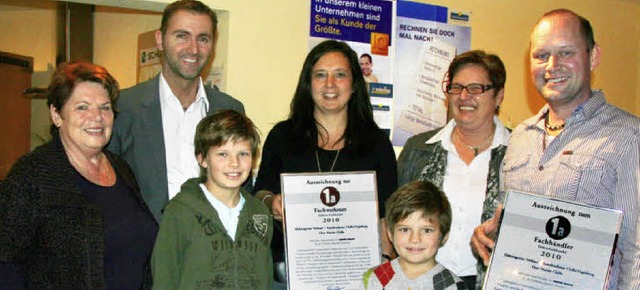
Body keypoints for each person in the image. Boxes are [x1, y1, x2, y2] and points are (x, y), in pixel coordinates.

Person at [471, 9, 639, 290]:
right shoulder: (521, 136)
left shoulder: (629, 137)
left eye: (566, 53)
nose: (552, 65)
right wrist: (491, 233)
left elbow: (636, 250)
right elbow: (515, 221)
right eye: (541, 55)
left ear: (593, 56)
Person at [253, 40, 398, 288]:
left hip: (358, 276)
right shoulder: (282, 136)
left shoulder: (377, 144)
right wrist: (271, 201)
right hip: (291, 274)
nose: (330, 84)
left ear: (354, 85)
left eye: (340, 74)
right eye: (320, 75)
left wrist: (383, 273)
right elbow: (260, 193)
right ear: (308, 85)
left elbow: (388, 216)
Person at [0, 61, 158, 289]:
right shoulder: (32, 174)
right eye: (82, 107)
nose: (97, 117)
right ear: (56, 115)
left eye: (105, 107)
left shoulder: (121, 168)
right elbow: (5, 262)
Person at [107, 0, 245, 221]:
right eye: (182, 36)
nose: (193, 49)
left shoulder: (230, 109)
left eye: (203, 38)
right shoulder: (123, 107)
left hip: (212, 250)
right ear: (160, 40)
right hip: (146, 250)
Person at [397, 50, 509, 289]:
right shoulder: (418, 149)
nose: (464, 96)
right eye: (456, 87)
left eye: (476, 88)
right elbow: (395, 218)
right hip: (423, 282)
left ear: (498, 96)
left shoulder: (519, 154)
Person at [151, 110, 272, 289]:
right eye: (223, 154)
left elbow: (266, 277)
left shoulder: (260, 213)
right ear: (202, 159)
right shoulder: (180, 211)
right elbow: (164, 278)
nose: (234, 163)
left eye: (243, 154)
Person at [360, 180, 467, 289]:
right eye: (405, 229)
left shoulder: (453, 285)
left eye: (427, 230)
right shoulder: (375, 278)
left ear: (444, 236)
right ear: (390, 233)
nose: (415, 239)